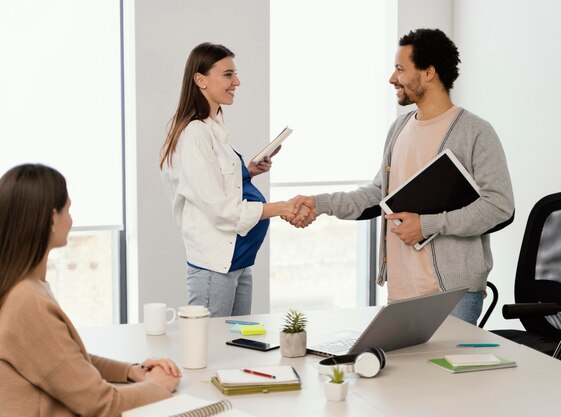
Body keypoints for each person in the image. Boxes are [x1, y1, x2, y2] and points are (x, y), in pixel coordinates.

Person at [289, 29, 514, 325]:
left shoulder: (475, 131)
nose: (392, 78)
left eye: (400, 69)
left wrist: (427, 224)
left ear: (429, 73)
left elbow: (499, 206)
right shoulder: (399, 128)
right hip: (402, 289)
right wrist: (319, 203)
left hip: (451, 294)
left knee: (444, 373)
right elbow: (378, 196)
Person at [0, 164, 181, 417]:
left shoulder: (22, 287)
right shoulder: (27, 301)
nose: (72, 219)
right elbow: (101, 404)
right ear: (52, 219)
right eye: (68, 209)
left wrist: (131, 371)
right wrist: (158, 387)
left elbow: (67, 361)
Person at [160, 42, 307, 318]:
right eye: (228, 74)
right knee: (211, 353)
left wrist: (247, 171)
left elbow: (213, 183)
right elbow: (221, 210)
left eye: (235, 74)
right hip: (215, 268)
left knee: (236, 348)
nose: (236, 82)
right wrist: (280, 208)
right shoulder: (194, 135)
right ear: (200, 80)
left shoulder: (213, 128)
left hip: (238, 261)